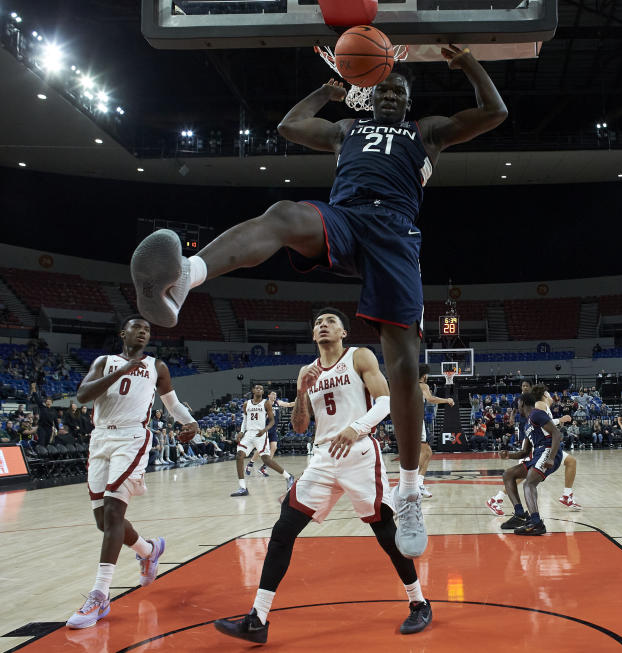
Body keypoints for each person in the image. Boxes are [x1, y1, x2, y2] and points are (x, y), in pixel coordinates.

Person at [131, 47, 507, 558]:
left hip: (395, 234)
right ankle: (184, 279)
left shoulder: (427, 132)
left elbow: (494, 112)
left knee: (402, 364)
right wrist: (327, 93)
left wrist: (466, 64)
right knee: (284, 213)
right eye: (384, 89)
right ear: (371, 92)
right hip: (345, 219)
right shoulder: (346, 130)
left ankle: (411, 489)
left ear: (409, 102)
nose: (391, 95)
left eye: (400, 91)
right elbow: (290, 126)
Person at [212, 308, 431, 643]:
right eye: (318, 323)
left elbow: (386, 402)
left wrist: (356, 428)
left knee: (385, 531)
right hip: (323, 457)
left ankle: (419, 603)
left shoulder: (359, 356)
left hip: (358, 451)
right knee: (283, 529)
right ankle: (257, 619)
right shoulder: (306, 371)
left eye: (330, 322)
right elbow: (300, 426)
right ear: (313, 335)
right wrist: (301, 393)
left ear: (343, 332)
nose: (323, 326)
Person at [65, 316, 197, 629]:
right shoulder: (104, 362)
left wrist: (190, 422)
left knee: (112, 513)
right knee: (104, 522)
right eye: (137, 327)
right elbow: (82, 396)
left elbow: (172, 403)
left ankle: (99, 595)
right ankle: (149, 550)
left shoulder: (157, 367)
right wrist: (122, 370)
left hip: (132, 437)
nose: (143, 332)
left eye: (148, 329)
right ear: (123, 333)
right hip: (100, 439)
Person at [488, 388, 564, 535]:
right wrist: (508, 455)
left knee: (529, 483)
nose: (517, 407)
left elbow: (556, 433)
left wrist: (551, 457)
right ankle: (520, 515)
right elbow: (524, 452)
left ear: (522, 403)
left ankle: (536, 523)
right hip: (537, 454)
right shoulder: (527, 424)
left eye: (518, 404)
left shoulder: (536, 413)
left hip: (548, 451)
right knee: (508, 475)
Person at [232, 384, 293, 496]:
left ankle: (288, 476)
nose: (259, 389)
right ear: (253, 390)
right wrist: (241, 432)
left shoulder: (266, 403)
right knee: (239, 455)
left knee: (266, 460)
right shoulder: (246, 404)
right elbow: (245, 420)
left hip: (261, 434)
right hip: (249, 434)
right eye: (257, 388)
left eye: (261, 388)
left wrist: (265, 430)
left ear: (263, 392)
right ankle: (242, 487)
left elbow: (272, 421)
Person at [416, 364, 454, 498]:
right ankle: (413, 483)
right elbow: (430, 399)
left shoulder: (408, 384)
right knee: (426, 451)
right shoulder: (422, 385)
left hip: (405, 420)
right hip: (415, 420)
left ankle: (418, 482)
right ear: (424, 375)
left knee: (427, 452)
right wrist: (447, 400)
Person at [254, 390, 295, 477]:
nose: (274, 396)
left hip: (273, 430)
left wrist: (298, 402)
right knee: (260, 449)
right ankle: (250, 464)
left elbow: (289, 404)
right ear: (269, 395)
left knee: (274, 448)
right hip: (266, 428)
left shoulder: (278, 402)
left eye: (275, 395)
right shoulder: (264, 403)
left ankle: (264, 468)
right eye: (273, 394)